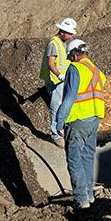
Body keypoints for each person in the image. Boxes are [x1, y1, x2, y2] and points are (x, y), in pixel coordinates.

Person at [55, 39, 106, 209]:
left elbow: (69, 99)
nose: (70, 59)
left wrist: (59, 122)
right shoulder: (96, 71)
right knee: (88, 157)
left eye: (70, 56)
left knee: (75, 160)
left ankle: (81, 199)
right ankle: (89, 195)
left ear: (75, 55)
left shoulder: (75, 69)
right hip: (94, 120)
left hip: (77, 121)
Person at [40, 18, 77, 147]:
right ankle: (55, 135)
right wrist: (60, 75)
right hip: (55, 80)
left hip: (60, 79)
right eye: (70, 33)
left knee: (62, 105)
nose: (72, 36)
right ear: (62, 32)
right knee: (56, 107)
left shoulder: (61, 42)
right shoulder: (53, 43)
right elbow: (51, 63)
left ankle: (61, 130)